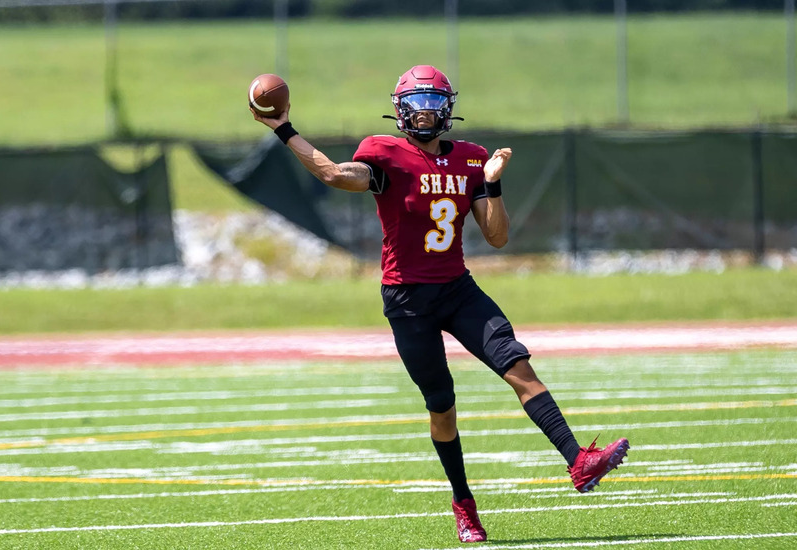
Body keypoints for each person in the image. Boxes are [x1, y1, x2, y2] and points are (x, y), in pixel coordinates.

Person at [251, 64, 629, 544]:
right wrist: (283, 128)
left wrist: (491, 182)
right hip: (407, 297)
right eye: (416, 104)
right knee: (442, 406)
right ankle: (464, 505)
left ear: (447, 109)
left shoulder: (471, 159)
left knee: (519, 367)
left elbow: (497, 236)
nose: (424, 113)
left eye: (433, 104)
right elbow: (332, 173)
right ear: (399, 109)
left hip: (457, 288)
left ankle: (578, 461)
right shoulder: (384, 152)